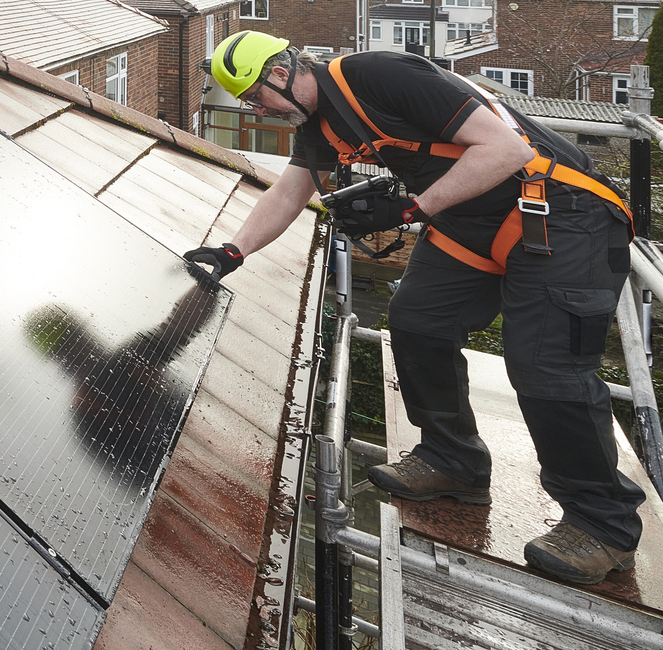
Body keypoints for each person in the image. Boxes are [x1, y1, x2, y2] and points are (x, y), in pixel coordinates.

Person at [184, 32, 643, 586]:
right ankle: (454, 463)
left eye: (258, 99)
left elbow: (509, 151)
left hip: (563, 214)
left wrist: (409, 209)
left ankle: (603, 526)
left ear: (282, 73)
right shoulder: (318, 124)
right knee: (416, 322)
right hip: (471, 222)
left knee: (546, 368)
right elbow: (290, 190)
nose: (258, 111)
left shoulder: (379, 77)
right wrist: (234, 252)